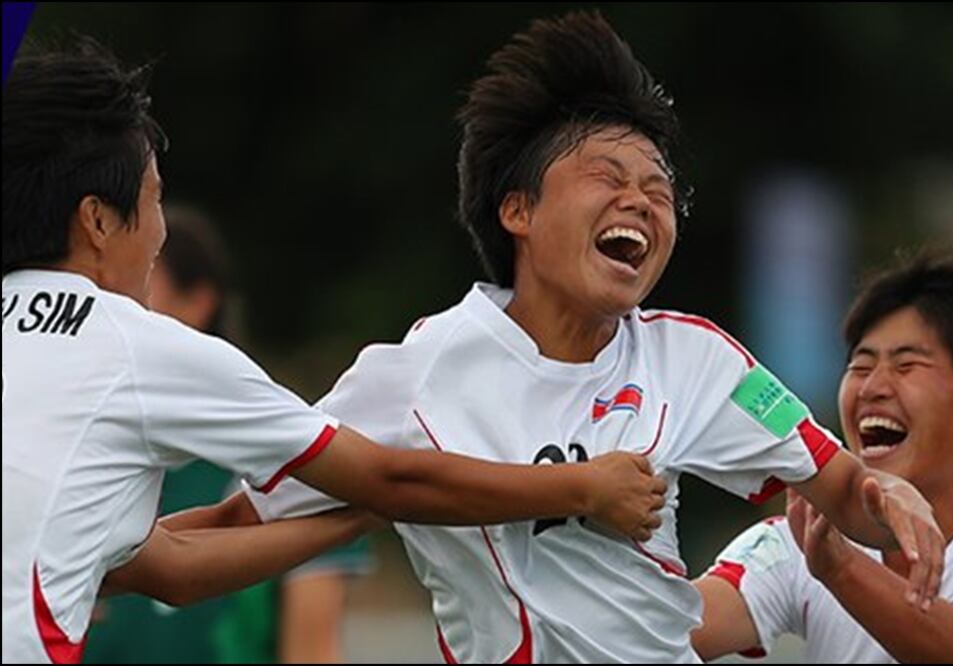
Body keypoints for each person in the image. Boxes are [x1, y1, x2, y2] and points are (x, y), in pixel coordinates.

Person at [248, 11, 945, 663]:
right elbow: (257, 511)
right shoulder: (417, 374)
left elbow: (844, 491)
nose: (640, 201)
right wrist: (148, 553)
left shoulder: (694, 359)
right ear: (516, 209)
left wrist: (890, 499)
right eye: (605, 177)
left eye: (658, 190)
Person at [1, 37, 665, 664]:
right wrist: (582, 485)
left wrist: (361, 517)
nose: (157, 235)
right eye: (153, 202)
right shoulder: (134, 346)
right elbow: (389, 476)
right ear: (95, 220)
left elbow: (167, 570)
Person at [692, 255, 953, 663]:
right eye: (860, 365)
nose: (872, 387)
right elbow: (665, 632)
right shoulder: (800, 538)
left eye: (907, 366)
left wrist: (843, 571)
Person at [83, 207, 375, 664]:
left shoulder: (290, 459)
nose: (110, 313)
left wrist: (377, 504)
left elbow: (312, 651)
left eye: (137, 293)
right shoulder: (81, 453)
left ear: (199, 303)